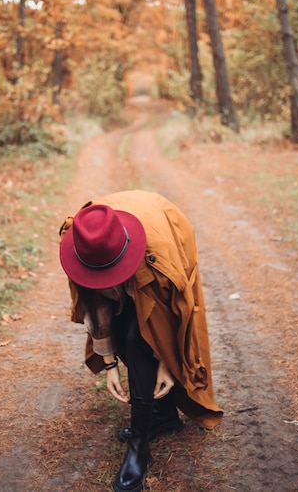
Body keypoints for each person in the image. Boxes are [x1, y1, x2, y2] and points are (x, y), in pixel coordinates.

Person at [59, 190, 223, 492]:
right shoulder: (82, 242)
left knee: (139, 337)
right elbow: (96, 308)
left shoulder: (158, 260)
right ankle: (162, 416)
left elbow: (174, 315)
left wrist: (166, 363)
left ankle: (140, 445)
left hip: (165, 240)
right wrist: (109, 364)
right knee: (123, 329)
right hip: (123, 250)